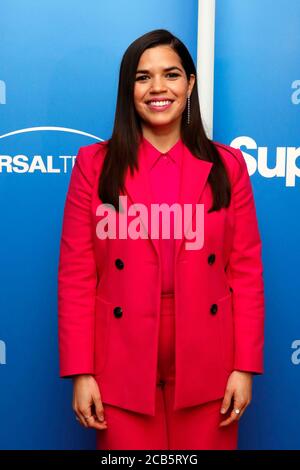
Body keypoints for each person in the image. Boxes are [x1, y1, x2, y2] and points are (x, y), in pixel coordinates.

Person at [57, 29, 265, 450]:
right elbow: (77, 275)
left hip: (210, 365)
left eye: (170, 75)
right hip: (120, 364)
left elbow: (245, 273)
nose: (158, 88)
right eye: (142, 77)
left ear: (189, 83)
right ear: (128, 89)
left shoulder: (228, 165)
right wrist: (81, 372)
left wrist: (244, 367)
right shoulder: (93, 166)